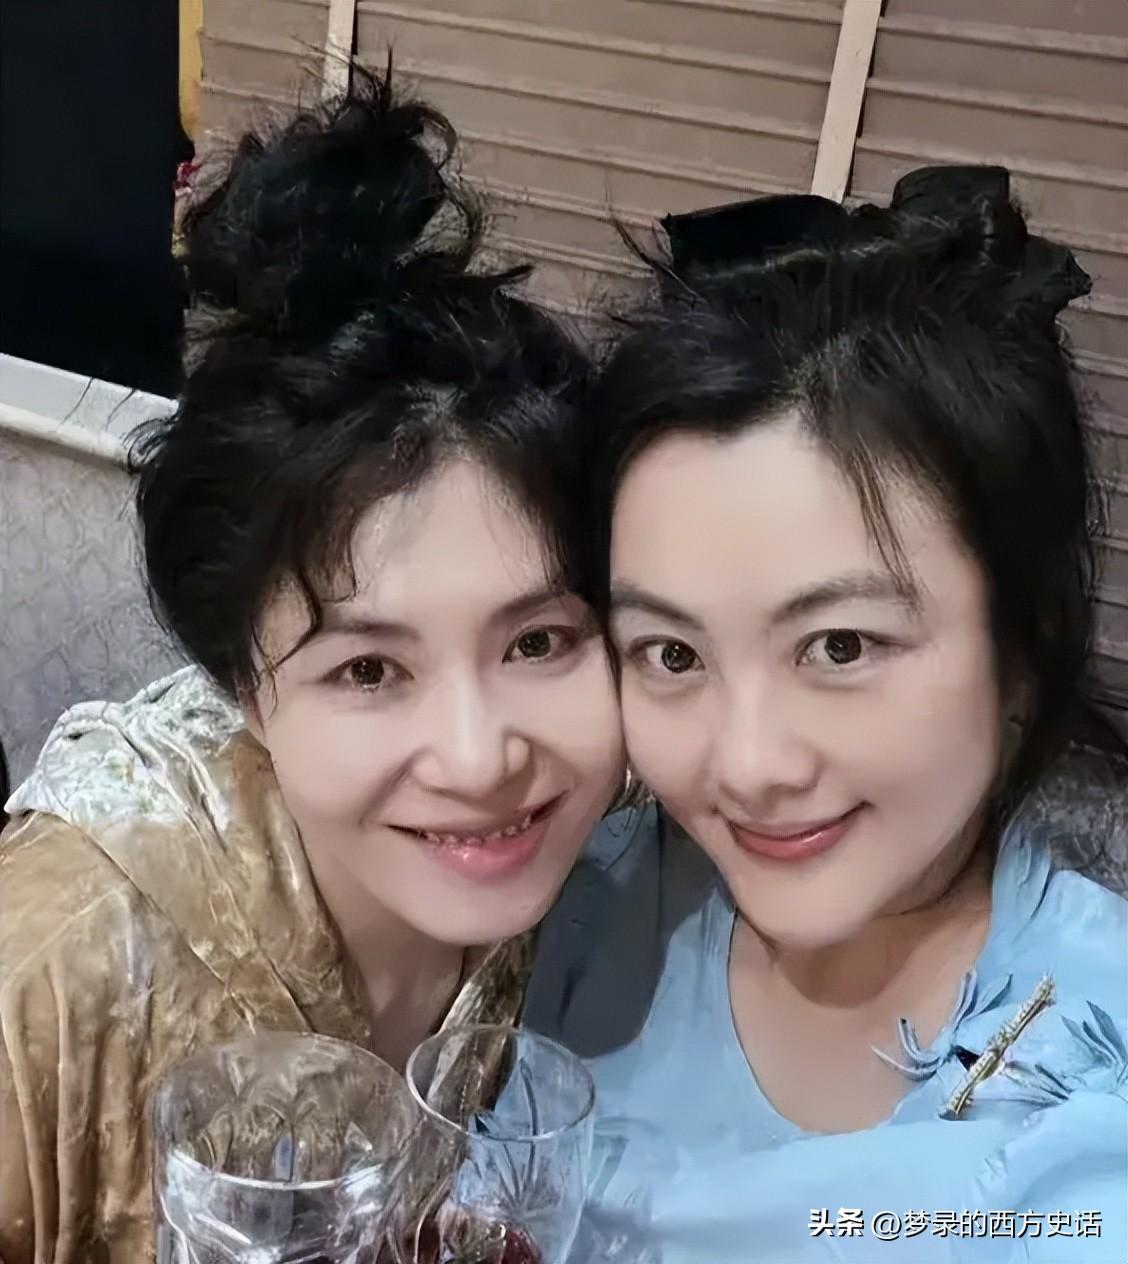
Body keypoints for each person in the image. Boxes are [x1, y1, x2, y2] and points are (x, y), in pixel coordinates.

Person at [0, 67, 623, 1261]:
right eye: (369, 671)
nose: (481, 759)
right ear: (244, 684)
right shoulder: (53, 961)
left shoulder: (598, 870)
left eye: (539, 641)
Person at [526, 166, 1128, 1263]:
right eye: (671, 654)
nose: (748, 764)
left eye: (840, 646)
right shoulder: (593, 901)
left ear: (1021, 651)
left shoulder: (1089, 1106)